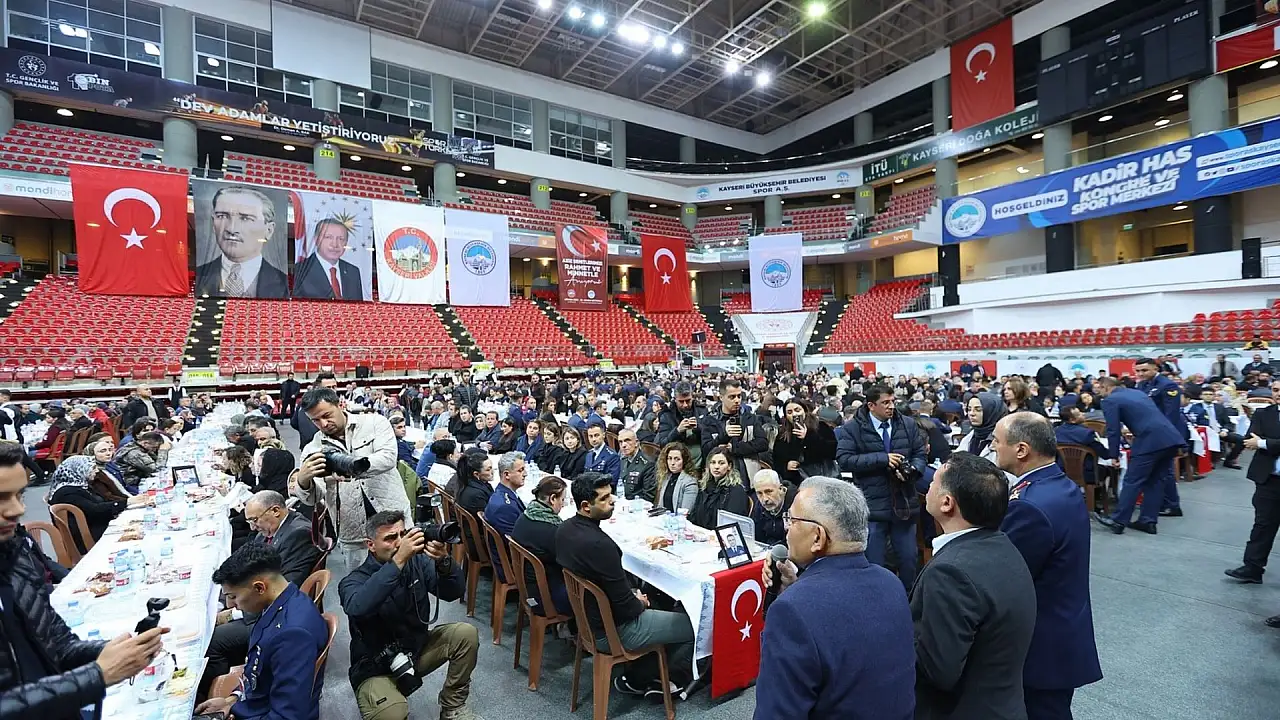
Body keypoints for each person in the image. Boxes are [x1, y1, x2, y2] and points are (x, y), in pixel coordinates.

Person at [0, 443, 169, 715]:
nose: (17, 509)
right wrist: (97, 675)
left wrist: (113, 652)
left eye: (19, 495)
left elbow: (57, 645)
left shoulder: (14, 559)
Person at [755, 477, 914, 720]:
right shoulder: (891, 582)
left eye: (793, 520)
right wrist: (795, 588)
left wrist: (795, 597)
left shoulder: (791, 611)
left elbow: (776, 713)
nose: (787, 528)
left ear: (818, 537)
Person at [990, 414, 1103, 719]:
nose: (993, 447)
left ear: (1021, 449)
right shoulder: (1058, 484)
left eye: (997, 441)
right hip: (1063, 626)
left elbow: (1006, 576)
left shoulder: (1028, 505)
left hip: (1040, 643)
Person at [913, 452, 1037, 720]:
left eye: (933, 482)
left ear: (947, 503)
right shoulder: (1004, 546)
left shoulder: (950, 572)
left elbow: (938, 670)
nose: (928, 487)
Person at [556, 472, 695, 697]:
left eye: (610, 495)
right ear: (586, 506)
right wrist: (639, 602)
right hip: (614, 630)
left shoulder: (564, 529)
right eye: (604, 498)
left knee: (654, 597)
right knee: (695, 625)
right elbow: (628, 608)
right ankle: (650, 678)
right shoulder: (601, 545)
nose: (612, 501)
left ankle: (648, 668)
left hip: (587, 621)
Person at [340, 510, 479, 720]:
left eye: (403, 534)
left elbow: (453, 593)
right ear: (371, 545)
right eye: (390, 538)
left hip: (415, 650)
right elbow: (358, 607)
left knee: (465, 635)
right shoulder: (353, 581)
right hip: (377, 667)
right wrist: (397, 562)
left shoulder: (417, 563)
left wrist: (444, 562)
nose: (399, 543)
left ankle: (453, 707)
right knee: (393, 714)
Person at [201, 491, 322, 699]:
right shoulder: (269, 530)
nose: (253, 527)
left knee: (212, 640)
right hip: (264, 605)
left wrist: (232, 614)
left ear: (275, 511)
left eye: (255, 520)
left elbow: (285, 584)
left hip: (266, 611)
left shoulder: (298, 534)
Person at [197, 542, 329, 720]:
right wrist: (232, 700)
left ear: (260, 587)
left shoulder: (293, 635)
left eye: (233, 596)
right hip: (255, 704)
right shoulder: (280, 602)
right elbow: (258, 672)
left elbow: (288, 716)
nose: (230, 605)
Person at [292, 386, 413, 571]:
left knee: (409, 577)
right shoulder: (313, 449)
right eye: (315, 420)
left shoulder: (375, 422)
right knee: (363, 584)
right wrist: (303, 480)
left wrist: (351, 467)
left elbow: (388, 458)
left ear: (340, 405)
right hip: (355, 534)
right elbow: (313, 498)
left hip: (395, 524)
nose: (323, 424)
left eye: (327, 415)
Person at [835, 384, 927, 588]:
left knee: (909, 561)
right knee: (874, 564)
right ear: (871, 405)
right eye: (885, 403)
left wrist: (913, 470)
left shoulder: (907, 424)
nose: (891, 406)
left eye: (892, 401)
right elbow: (844, 460)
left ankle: (909, 600)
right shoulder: (853, 428)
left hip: (903, 504)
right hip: (872, 506)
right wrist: (882, 459)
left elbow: (920, 454)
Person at [1091, 376, 1185, 535]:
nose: (1098, 393)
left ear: (1105, 387)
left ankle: (1118, 520)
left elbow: (1113, 430)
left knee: (1133, 481)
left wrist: (1113, 455)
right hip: (1170, 438)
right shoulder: (1137, 393)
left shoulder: (1110, 400)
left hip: (1149, 442)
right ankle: (1148, 521)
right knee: (1156, 481)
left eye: (1098, 389)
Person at [1226, 379, 1280, 589]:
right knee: (1262, 525)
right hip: (1268, 479)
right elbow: (1251, 440)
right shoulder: (1263, 414)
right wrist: (1259, 442)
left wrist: (1264, 442)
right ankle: (1252, 568)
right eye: (1275, 390)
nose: (1278, 394)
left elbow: (1259, 442)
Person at [195, 185, 289, 298]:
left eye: (245, 218)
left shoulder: (282, 283)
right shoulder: (200, 274)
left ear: (268, 230)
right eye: (222, 216)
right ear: (213, 224)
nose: (231, 229)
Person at [45, 456, 143, 554]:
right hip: (86, 537)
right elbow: (95, 510)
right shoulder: (67, 493)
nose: (96, 471)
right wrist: (126, 502)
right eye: (93, 468)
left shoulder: (80, 485)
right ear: (79, 470)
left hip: (94, 527)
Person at [1134, 357, 1189, 518]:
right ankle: (1164, 502)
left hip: (1165, 432)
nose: (1140, 374)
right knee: (1158, 470)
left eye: (1144, 370)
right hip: (1149, 432)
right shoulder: (1141, 385)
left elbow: (1170, 415)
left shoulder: (1168, 385)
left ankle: (1172, 505)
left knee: (1166, 470)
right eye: (1138, 371)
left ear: (1155, 369)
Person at [510, 475, 570, 617]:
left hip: (528, 587)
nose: (563, 504)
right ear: (553, 499)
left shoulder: (526, 515)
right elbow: (571, 563)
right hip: (544, 596)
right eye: (562, 500)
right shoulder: (552, 530)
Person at [701, 378, 770, 483]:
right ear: (721, 397)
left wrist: (735, 448)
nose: (737, 400)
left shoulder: (750, 418)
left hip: (748, 475)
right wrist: (724, 436)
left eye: (739, 396)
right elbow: (706, 449)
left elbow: (763, 443)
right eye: (732, 397)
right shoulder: (710, 421)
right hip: (719, 478)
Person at [294, 217, 365, 299]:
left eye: (341, 239)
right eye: (328, 237)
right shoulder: (301, 270)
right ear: (316, 240)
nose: (335, 244)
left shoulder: (353, 272)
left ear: (346, 242)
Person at [771, 398, 838, 485]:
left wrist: (808, 437)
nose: (794, 414)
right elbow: (776, 459)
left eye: (797, 410)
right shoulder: (783, 434)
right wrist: (785, 466)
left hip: (823, 477)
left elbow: (832, 451)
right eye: (790, 412)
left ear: (805, 411)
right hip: (797, 481)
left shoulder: (821, 427)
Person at [689, 447, 750, 529]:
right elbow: (694, 515)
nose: (716, 467)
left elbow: (731, 524)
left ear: (729, 466)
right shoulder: (704, 486)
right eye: (713, 462)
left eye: (721, 463)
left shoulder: (736, 490)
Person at [1055, 406, 1109, 487]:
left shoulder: (1056, 431)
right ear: (1072, 420)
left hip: (1062, 471)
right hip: (1086, 473)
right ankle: (1103, 493)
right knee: (1108, 470)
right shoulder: (1087, 434)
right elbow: (1103, 454)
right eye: (1079, 414)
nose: (1083, 414)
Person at [657, 382, 705, 468]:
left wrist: (698, 429)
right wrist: (677, 431)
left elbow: (710, 439)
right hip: (676, 466)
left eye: (688, 400)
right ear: (675, 399)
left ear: (692, 397)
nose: (685, 405)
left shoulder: (702, 411)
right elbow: (663, 444)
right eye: (681, 401)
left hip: (701, 464)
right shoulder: (667, 415)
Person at [956, 392, 1006, 464]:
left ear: (992, 412)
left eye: (978, 410)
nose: (971, 413)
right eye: (969, 409)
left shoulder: (1004, 441)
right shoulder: (972, 435)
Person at [748, 469, 792, 546]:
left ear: (780, 489)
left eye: (769, 492)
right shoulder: (758, 505)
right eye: (759, 493)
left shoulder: (796, 504)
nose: (765, 499)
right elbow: (756, 537)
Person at [655, 441, 699, 513]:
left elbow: (685, 512)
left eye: (677, 459)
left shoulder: (690, 482)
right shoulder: (666, 476)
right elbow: (660, 506)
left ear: (684, 461)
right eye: (670, 458)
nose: (672, 463)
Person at [615, 428, 657, 502]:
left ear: (636, 443)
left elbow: (648, 496)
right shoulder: (622, 460)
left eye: (627, 440)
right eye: (620, 442)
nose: (623, 445)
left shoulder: (647, 464)